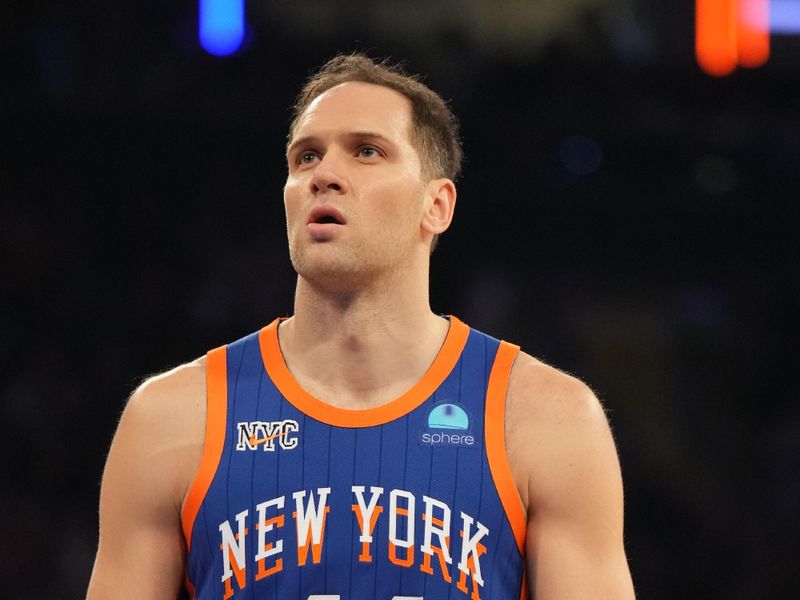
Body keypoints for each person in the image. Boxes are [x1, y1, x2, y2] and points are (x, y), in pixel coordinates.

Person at [87, 53, 635, 600]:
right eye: (305, 158)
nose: (323, 176)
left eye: (366, 151)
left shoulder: (548, 419)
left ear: (437, 205)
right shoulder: (170, 418)